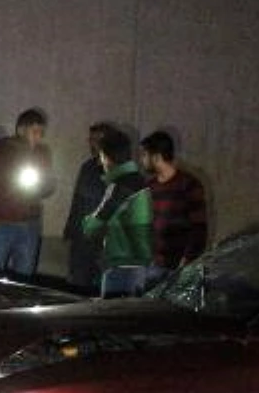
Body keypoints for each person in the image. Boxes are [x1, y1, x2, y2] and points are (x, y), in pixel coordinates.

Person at [0, 108, 55, 277]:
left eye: (41, 132)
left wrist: (43, 183)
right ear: (21, 130)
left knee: (24, 278)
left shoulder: (42, 153)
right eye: (35, 132)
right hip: (1, 223)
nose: (38, 137)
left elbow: (48, 187)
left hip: (29, 225)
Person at [80, 127, 153, 296]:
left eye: (101, 157)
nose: (101, 162)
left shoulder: (119, 186)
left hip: (122, 266)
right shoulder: (140, 181)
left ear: (107, 157)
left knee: (112, 317)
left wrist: (86, 221)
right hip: (139, 264)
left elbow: (93, 226)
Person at [139, 131, 208, 280]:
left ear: (156, 157)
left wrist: (186, 261)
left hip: (179, 268)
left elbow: (199, 228)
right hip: (154, 265)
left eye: (145, 155)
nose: (142, 160)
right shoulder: (149, 187)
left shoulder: (188, 185)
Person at [63, 123, 112, 291]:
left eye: (98, 140)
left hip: (104, 241)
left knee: (102, 288)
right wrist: (70, 229)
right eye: (91, 140)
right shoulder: (87, 167)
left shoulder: (118, 169)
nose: (93, 144)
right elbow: (77, 200)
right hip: (82, 239)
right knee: (78, 284)